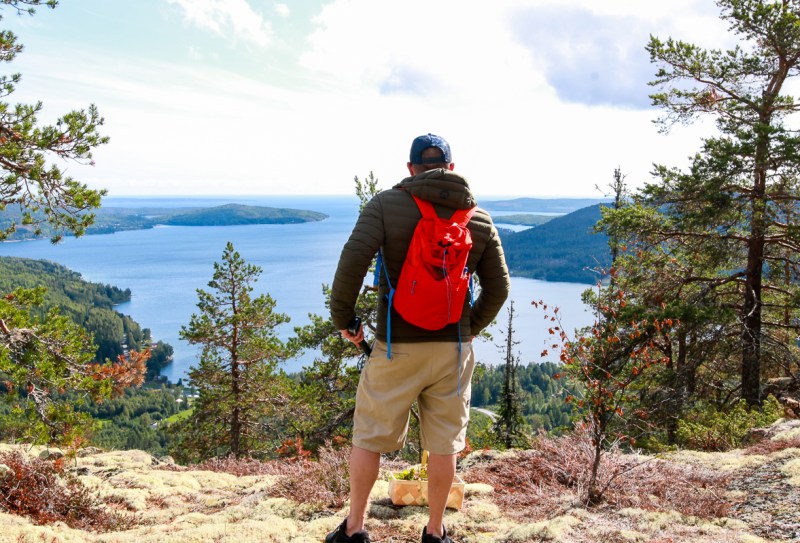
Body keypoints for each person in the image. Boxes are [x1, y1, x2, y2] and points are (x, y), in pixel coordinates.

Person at [327, 133, 510, 543]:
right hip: (452, 351)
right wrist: (467, 330)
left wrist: (346, 319)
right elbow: (499, 289)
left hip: (396, 346)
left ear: (411, 168)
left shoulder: (385, 206)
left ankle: (355, 528)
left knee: (370, 436)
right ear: (450, 165)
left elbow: (352, 260)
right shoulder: (477, 218)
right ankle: (435, 530)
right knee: (445, 443)